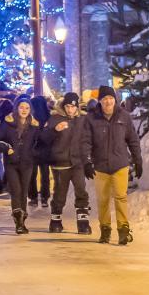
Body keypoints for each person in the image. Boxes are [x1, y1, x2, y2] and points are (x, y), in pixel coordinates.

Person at [78, 85, 143, 245]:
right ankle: (105, 229)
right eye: (105, 99)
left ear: (115, 100)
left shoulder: (124, 117)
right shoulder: (91, 118)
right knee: (103, 199)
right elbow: (85, 141)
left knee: (120, 197)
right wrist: (86, 162)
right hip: (100, 166)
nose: (108, 102)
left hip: (120, 164)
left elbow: (132, 140)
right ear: (100, 101)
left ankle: (123, 230)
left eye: (111, 99)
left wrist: (137, 159)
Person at [40, 92, 91, 234]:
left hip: (77, 162)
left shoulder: (82, 120)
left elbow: (87, 140)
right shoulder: (55, 118)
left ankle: (83, 222)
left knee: (81, 190)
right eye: (68, 106)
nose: (70, 110)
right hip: (60, 162)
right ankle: (55, 221)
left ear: (77, 107)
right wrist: (55, 130)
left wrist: (87, 160)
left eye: (73, 107)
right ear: (64, 105)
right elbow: (43, 138)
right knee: (60, 193)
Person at [0, 97, 40, 234]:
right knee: (16, 191)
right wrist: (7, 148)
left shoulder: (34, 126)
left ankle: (22, 222)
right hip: (11, 163)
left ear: (30, 110)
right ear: (16, 108)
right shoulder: (8, 123)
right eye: (21, 107)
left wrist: (34, 152)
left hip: (27, 163)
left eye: (27, 108)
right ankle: (18, 221)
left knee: (24, 192)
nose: (24, 110)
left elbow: (41, 142)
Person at [28, 95, 52, 208]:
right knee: (45, 174)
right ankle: (44, 197)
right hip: (45, 149)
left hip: (32, 149)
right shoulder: (48, 117)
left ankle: (33, 197)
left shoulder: (31, 118)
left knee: (32, 175)